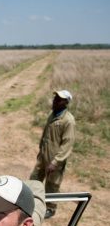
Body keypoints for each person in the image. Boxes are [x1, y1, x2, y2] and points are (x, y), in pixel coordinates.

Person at [30, 90, 76, 219]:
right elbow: (46, 135)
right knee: (34, 178)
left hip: (55, 159)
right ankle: (32, 201)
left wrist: (56, 161)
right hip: (44, 156)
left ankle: (50, 207)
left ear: (66, 102)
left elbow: (67, 144)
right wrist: (41, 151)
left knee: (52, 184)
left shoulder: (68, 121)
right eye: (55, 98)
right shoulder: (53, 115)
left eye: (59, 99)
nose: (55, 101)